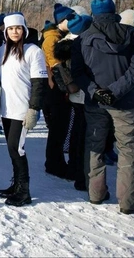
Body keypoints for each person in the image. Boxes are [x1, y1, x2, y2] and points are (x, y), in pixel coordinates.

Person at [71, 0, 134, 215]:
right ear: (113, 12)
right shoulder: (131, 33)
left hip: (97, 102)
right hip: (126, 102)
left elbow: (78, 73)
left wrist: (99, 92)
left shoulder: (82, 38)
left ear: (94, 14)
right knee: (128, 149)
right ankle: (129, 202)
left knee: (94, 145)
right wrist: (113, 92)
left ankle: (95, 193)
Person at [0, 13, 47, 206]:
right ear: (6, 31)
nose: (14, 32)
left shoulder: (33, 51)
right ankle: (15, 184)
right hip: (6, 109)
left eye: (18, 28)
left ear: (24, 30)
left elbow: (39, 83)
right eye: (10, 29)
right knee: (13, 149)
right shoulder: (2, 51)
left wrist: (34, 108)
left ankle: (24, 191)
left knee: (15, 148)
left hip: (22, 109)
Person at [52, 13, 93, 191]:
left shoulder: (64, 44)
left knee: (76, 131)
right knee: (82, 134)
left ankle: (73, 168)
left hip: (74, 94)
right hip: (84, 93)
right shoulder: (82, 44)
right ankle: (79, 172)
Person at [41, 3, 76, 179]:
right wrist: (68, 88)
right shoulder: (52, 39)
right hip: (54, 89)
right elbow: (56, 66)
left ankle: (56, 161)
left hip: (57, 88)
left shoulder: (60, 36)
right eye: (69, 19)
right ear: (61, 21)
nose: (72, 21)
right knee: (57, 127)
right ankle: (54, 163)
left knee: (60, 128)